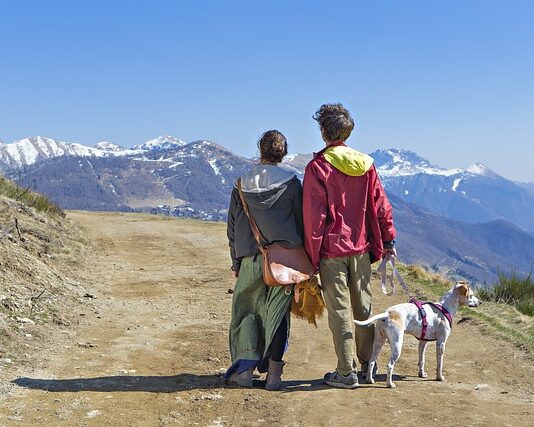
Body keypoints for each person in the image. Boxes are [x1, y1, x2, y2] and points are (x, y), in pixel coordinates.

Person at [302, 103, 397, 389]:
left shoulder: (318, 167)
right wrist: (389, 239)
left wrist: (310, 257)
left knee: (340, 312)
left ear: (323, 132)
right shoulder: (366, 165)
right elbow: (381, 206)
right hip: (362, 249)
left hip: (332, 251)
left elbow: (314, 218)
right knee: (364, 309)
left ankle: (346, 372)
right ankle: (368, 364)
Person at [225, 129, 304, 391]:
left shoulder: (241, 183)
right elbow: (301, 222)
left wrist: (236, 263)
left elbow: (233, 227)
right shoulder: (292, 182)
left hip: (250, 257)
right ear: (284, 153)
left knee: (247, 312)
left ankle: (245, 373)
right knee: (278, 315)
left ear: (260, 150)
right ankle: (274, 376)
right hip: (285, 261)